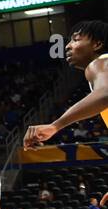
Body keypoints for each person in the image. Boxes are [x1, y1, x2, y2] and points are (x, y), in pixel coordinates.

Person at [27, 21, 108, 152]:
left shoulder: (100, 62)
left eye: (75, 40)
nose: (67, 46)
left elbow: (105, 94)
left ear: (97, 44)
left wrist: (55, 126)